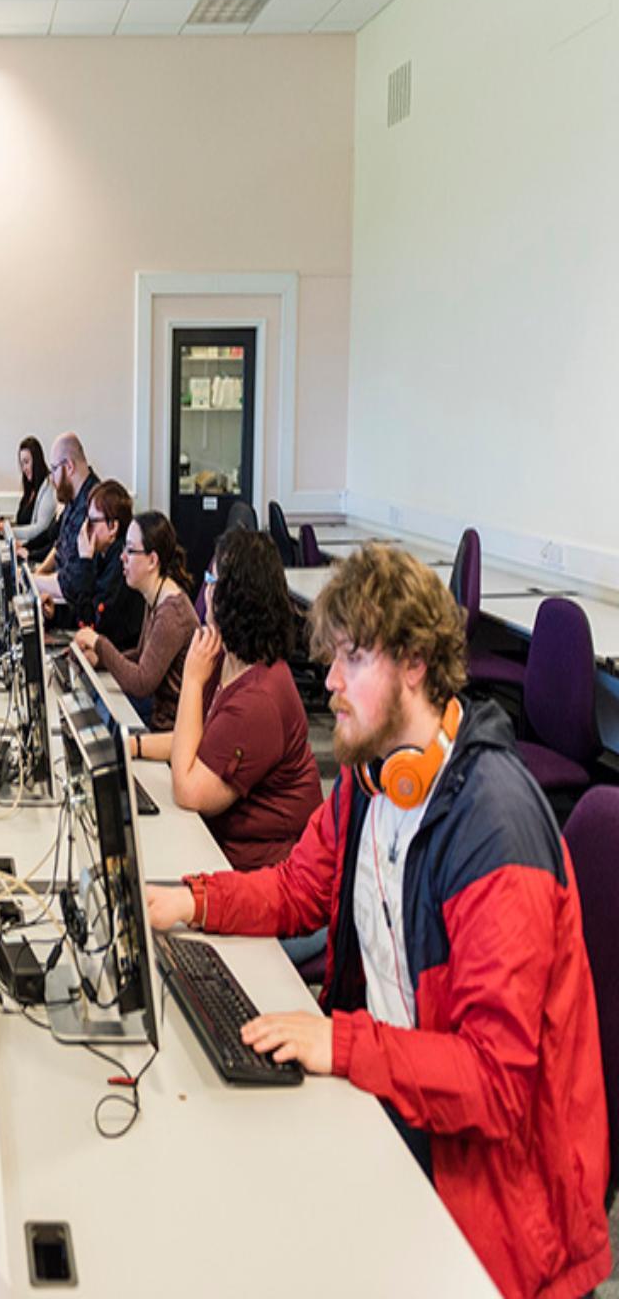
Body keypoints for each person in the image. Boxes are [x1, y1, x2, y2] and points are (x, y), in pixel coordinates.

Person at [144, 545, 611, 1299]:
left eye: (351, 659)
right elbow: (298, 889)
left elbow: (495, 1083)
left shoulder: (493, 829)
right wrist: (190, 899)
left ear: (415, 664)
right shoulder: (371, 784)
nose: (328, 681)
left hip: (495, 1203)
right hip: (405, 1112)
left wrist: (341, 1040)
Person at [137, 528, 321, 870]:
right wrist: (131, 746)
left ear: (234, 597)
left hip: (254, 870)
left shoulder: (259, 699)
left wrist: (192, 681)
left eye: (211, 579)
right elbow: (197, 742)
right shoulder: (224, 656)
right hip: (217, 847)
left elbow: (190, 791)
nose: (204, 589)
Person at [74, 510, 197, 732]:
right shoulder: (154, 597)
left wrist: (99, 644)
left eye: (130, 550)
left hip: (166, 727)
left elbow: (142, 683)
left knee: (97, 714)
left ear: (152, 560)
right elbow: (142, 655)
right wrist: (99, 659)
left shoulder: (171, 615)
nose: (122, 557)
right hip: (155, 713)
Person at [46, 478, 143, 651]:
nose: (84, 530)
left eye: (91, 522)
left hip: (116, 660)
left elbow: (91, 623)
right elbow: (83, 605)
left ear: (112, 527)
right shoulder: (102, 554)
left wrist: (85, 562)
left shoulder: (121, 564)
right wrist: (56, 614)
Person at [31, 431, 98, 601]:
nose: (51, 478)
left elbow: (70, 584)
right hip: (60, 590)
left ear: (68, 466)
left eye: (53, 469)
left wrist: (30, 580)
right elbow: (60, 547)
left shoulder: (93, 507)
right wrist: (38, 573)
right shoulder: (72, 496)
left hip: (74, 603)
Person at [8, 436, 56, 560]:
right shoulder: (30, 489)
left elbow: (41, 528)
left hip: (35, 554)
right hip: (23, 548)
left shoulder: (49, 487)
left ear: (37, 460)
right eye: (21, 464)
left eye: (26, 462)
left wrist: (8, 531)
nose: (24, 468)